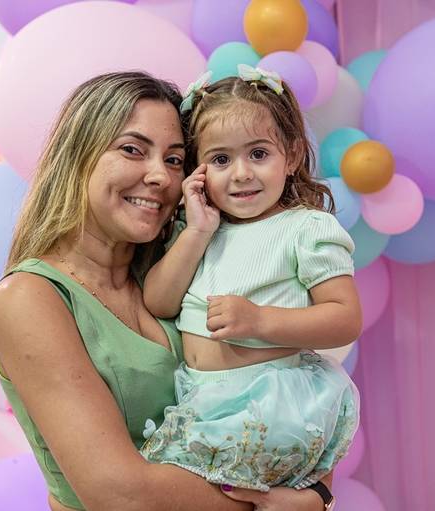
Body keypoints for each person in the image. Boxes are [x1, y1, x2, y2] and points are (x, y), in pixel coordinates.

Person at [0, 71, 335, 511]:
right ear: (78, 156)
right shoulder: (30, 297)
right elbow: (121, 494)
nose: (160, 176)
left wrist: (318, 494)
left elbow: (293, 393)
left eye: (174, 160)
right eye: (132, 150)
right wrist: (274, 505)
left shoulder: (182, 266)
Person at [140, 66, 361, 496]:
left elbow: (344, 318)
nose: (241, 173)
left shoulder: (305, 228)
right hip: (202, 399)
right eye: (220, 160)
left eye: (258, 154)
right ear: (197, 170)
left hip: (266, 401)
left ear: (291, 156)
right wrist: (197, 231)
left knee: (168, 492)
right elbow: (159, 302)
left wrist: (260, 320)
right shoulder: (199, 230)